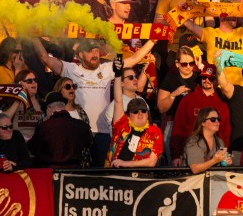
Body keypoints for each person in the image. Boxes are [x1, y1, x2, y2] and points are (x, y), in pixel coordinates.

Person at [33, 36, 154, 167]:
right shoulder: (72, 69)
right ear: (80, 54)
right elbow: (45, 58)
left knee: (102, 172)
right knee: (81, 171)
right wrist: (32, 36)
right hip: (79, 132)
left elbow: (135, 59)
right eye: (90, 51)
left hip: (103, 133)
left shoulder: (107, 68)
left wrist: (153, 40)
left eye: (96, 51)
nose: (95, 54)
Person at [170, 64, 231, 165]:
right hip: (190, 153)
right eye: (204, 77)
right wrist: (176, 155)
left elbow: (226, 132)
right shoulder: (188, 99)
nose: (206, 80)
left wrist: (224, 153)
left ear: (217, 81)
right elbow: (178, 128)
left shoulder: (222, 103)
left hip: (215, 156)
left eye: (210, 78)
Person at [28, 91, 92, 168]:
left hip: (50, 173)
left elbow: (33, 149)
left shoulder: (44, 127)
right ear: (63, 108)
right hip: (74, 172)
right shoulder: (82, 126)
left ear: (49, 109)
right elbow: (88, 143)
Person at [108, 96, 163, 168]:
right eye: (135, 111)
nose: (140, 113)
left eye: (143, 111)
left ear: (147, 114)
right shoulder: (121, 125)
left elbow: (151, 162)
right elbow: (118, 100)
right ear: (128, 114)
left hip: (141, 176)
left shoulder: (155, 132)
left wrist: (124, 163)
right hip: (114, 173)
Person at [183, 106, 229, 173]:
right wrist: (214, 160)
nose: (217, 122)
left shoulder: (219, 141)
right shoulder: (194, 142)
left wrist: (226, 161)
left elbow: (221, 164)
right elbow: (195, 169)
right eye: (213, 119)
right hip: (194, 181)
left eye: (218, 119)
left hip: (213, 180)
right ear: (203, 122)